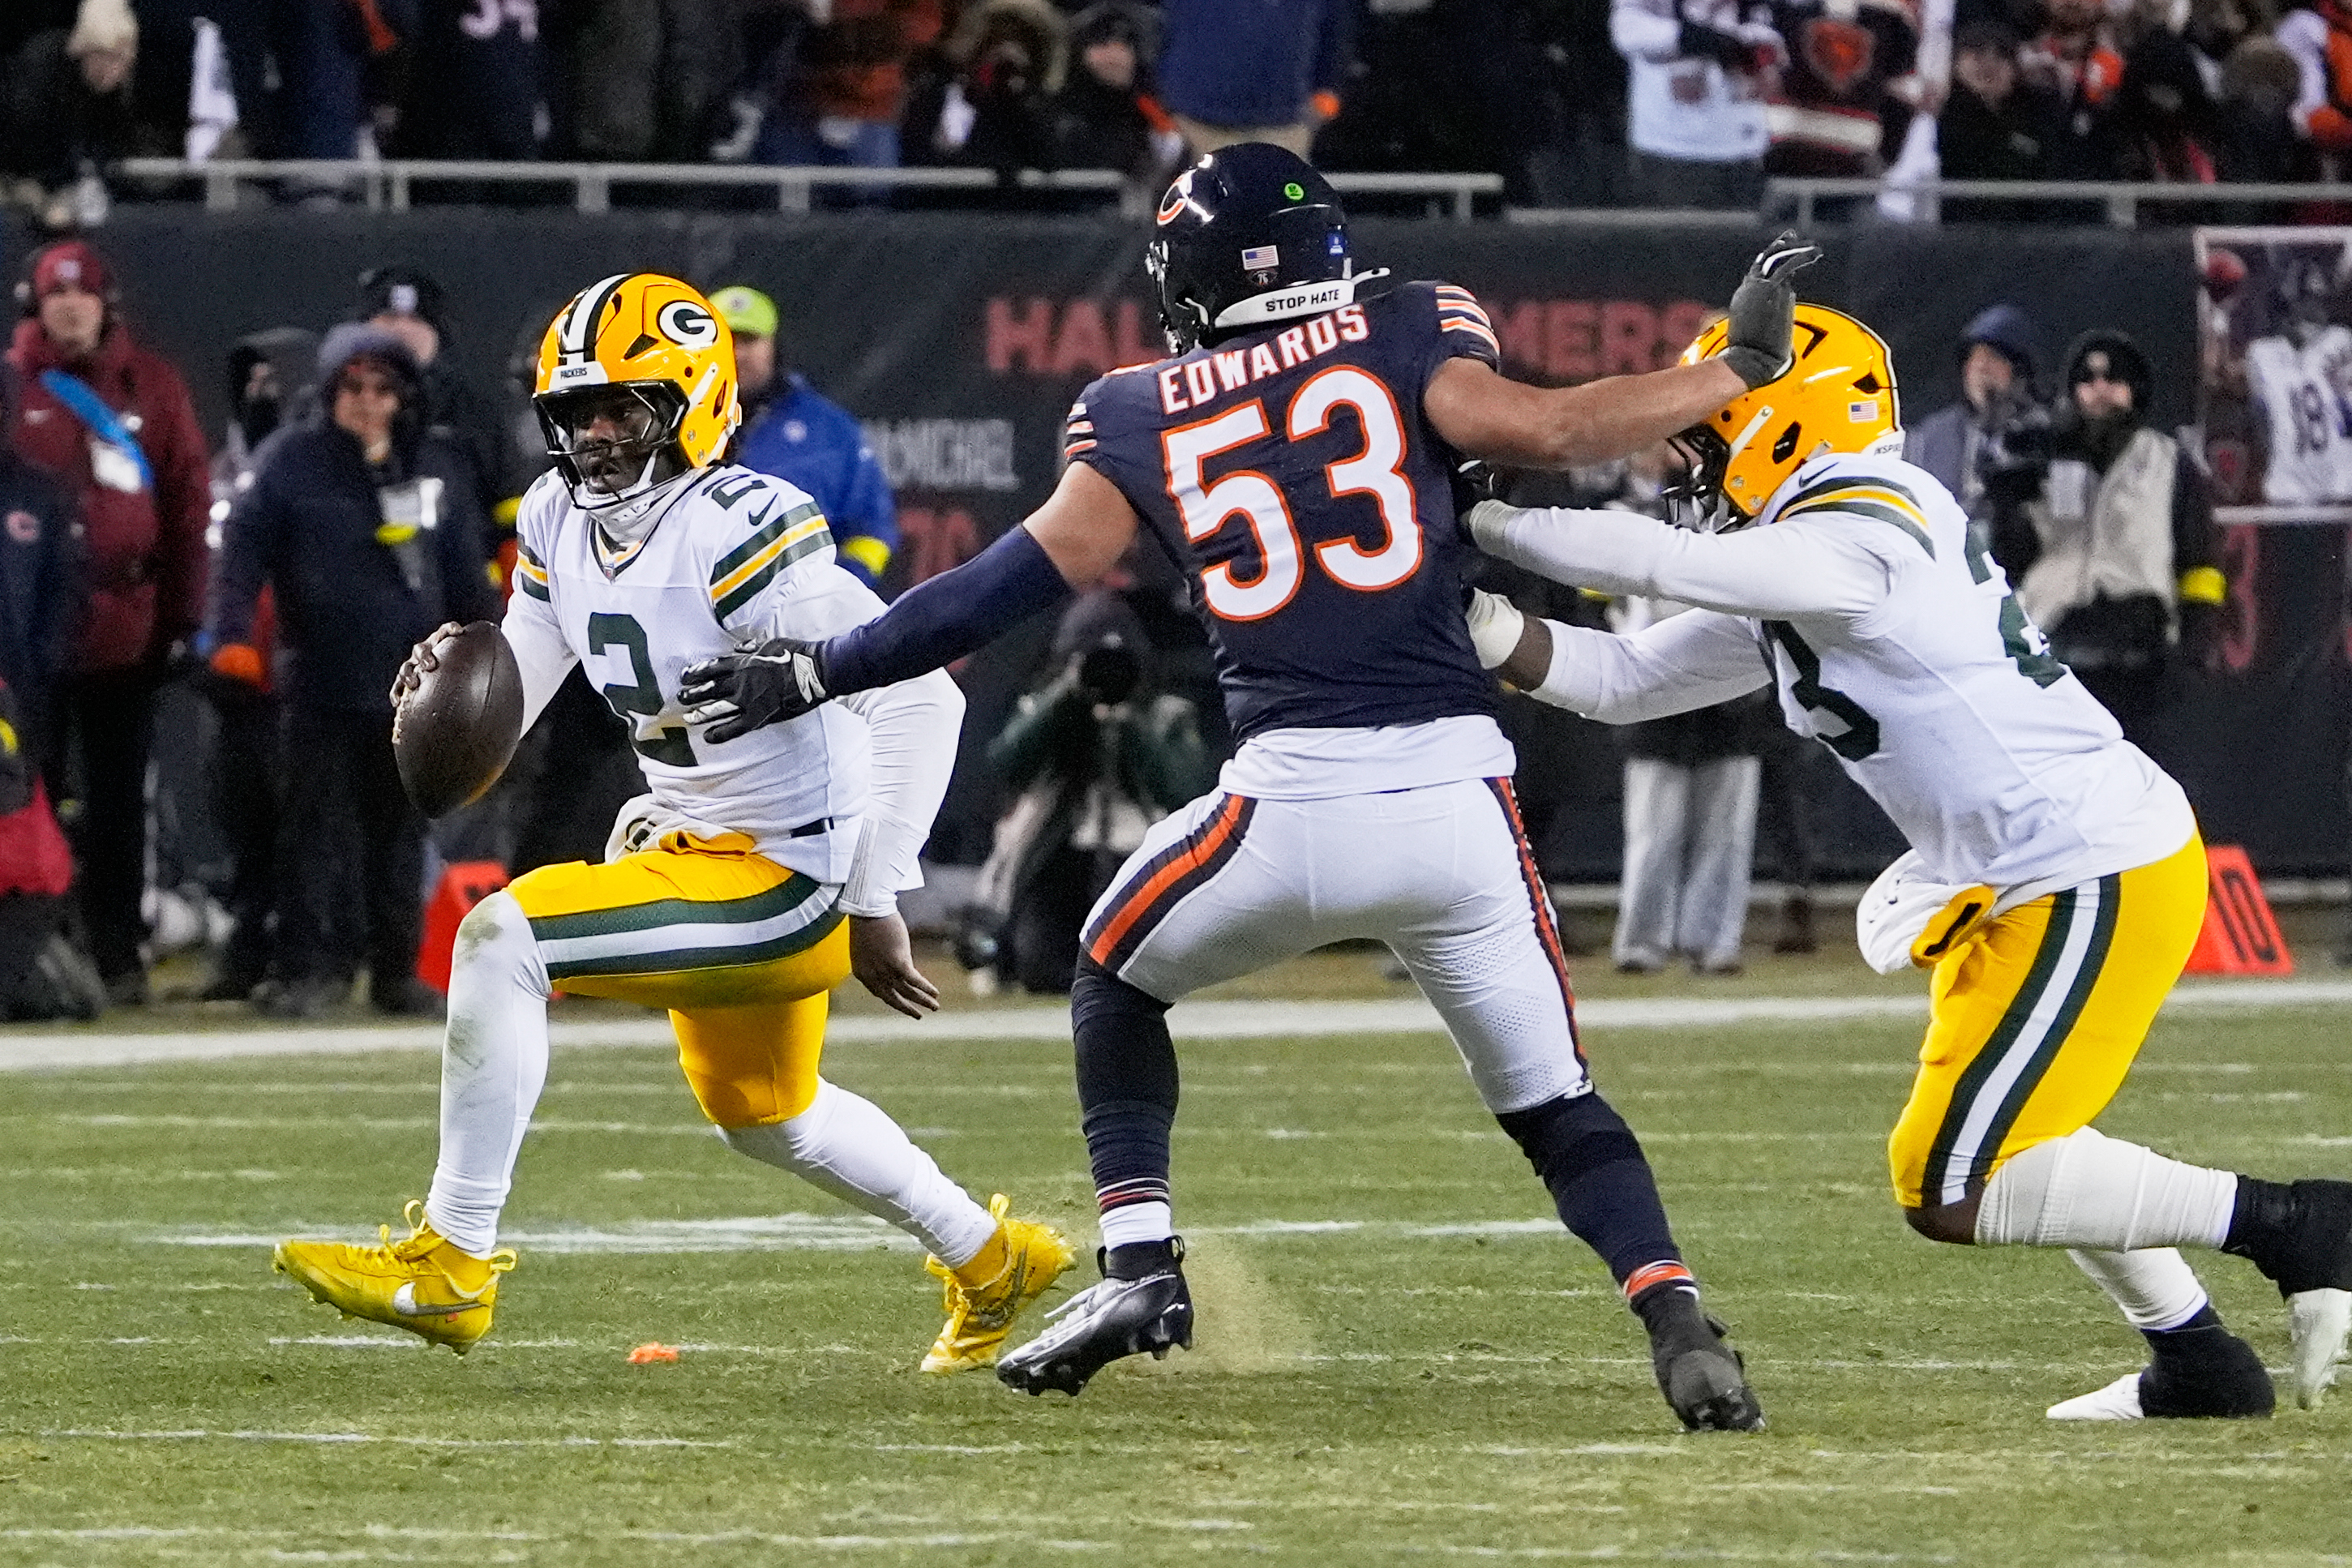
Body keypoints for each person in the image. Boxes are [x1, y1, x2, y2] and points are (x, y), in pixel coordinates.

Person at [674, 146, 1816, 1427]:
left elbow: (998, 589)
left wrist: (819, 667)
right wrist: (1737, 366)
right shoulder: (1409, 327)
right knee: (1556, 1101)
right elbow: (1556, 427)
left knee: (1112, 972)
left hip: (1288, 802)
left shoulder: (1138, 406)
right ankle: (1675, 1319)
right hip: (1458, 800)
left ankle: (1139, 1266)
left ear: (1188, 279)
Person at [1463, 301, 2352, 1420]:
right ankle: (2199, 1358)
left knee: (1952, 1179)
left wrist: (1481, 525)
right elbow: (1623, 679)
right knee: (2016, 1139)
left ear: (1782, 422)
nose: (1686, 458)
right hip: (2020, 875)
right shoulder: (1808, 553)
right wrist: (1473, 619)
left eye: (1707, 428)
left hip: (2087, 863)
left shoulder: (1865, 526)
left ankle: (2295, 1220)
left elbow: (1653, 555)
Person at [272, 274, 1072, 1377]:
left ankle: (452, 1259)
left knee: (504, 938)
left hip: (790, 871)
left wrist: (875, 890)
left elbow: (921, 695)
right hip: (698, 843)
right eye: (578, 412)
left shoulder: (738, 526)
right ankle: (992, 1256)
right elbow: (525, 678)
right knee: (767, 1111)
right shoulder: (556, 516)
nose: (597, 436)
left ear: (695, 404)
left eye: (624, 409)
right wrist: (447, 715)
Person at [206, 324, 496, 1019]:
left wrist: (492, 653)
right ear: (331, 392)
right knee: (313, 833)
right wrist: (231, 636)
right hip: (320, 680)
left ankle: (397, 972)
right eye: (353, 388)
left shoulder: (432, 465)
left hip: (415, 686)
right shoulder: (290, 461)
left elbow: (464, 569)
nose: (367, 402)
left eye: (382, 389)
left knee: (401, 836)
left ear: (403, 398)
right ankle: (310, 972)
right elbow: (241, 552)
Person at [8, 238, 212, 1006]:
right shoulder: (11, 385)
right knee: (30, 794)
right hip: (30, 635)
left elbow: (187, 503)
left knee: (121, 801)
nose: (69, 307)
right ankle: (36, 947)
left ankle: (118, 952)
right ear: (36, 305)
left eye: (82, 294)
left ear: (104, 305)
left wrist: (186, 619)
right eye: (55, 294)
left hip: (126, 626)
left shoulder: (151, 387)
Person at [965, 589, 1212, 995]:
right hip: (1057, 856)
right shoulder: (1046, 703)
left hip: (1140, 853)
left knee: (1148, 964)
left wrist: (1127, 723)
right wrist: (1067, 697)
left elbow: (1184, 789)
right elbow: (1006, 763)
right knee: (1043, 964)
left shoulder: (1167, 713)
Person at [1998, 330, 2226, 751]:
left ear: (2135, 389)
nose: (2100, 389)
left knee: (2141, 774)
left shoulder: (2169, 459)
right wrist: (2007, 505)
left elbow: (2201, 562)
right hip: (2055, 650)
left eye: (2114, 378)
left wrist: (2196, 642)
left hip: (2141, 654)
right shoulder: (2043, 461)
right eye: (2087, 380)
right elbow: (2011, 560)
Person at [713, 285, 899, 591]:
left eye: (749, 340)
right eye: (725, 340)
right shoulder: (665, 425)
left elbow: (872, 530)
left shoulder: (830, 431)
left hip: (799, 607)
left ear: (775, 347)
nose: (736, 353)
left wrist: (834, 594)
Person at [359, 265, 510, 518]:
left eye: (416, 319)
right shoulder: (329, 406)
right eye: (389, 317)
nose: (402, 329)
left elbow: (507, 500)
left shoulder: (473, 412)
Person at [1609, 0, 1777, 208]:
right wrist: (1686, 38)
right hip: (1672, 145)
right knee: (1680, 226)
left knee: (1750, 225)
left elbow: (1764, 23)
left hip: (1745, 142)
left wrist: (1760, 55)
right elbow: (1625, 29)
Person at [1154, 0, 1351, 159]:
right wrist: (1159, 108)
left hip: (1285, 121)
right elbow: (1150, 20)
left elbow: (1337, 25)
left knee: (1278, 196)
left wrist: (1328, 89)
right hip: (1195, 121)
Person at [1903, 302, 2041, 508]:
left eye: (1994, 358)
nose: (1981, 368)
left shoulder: (2045, 432)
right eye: (1973, 358)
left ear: (2020, 372)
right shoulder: (1930, 437)